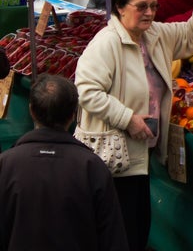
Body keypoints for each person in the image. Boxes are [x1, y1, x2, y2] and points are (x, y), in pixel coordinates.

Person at [76, 0, 193, 251]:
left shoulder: (155, 35)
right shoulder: (106, 43)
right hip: (114, 154)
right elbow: (87, 91)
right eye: (142, 7)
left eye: (153, 6)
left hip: (140, 152)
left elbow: (189, 35)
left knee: (137, 225)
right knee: (122, 230)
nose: (150, 13)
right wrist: (127, 119)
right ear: (120, 7)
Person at [0, 74, 127, 251]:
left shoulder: (6, 164)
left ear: (31, 110)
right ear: (73, 115)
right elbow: (112, 238)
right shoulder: (91, 166)